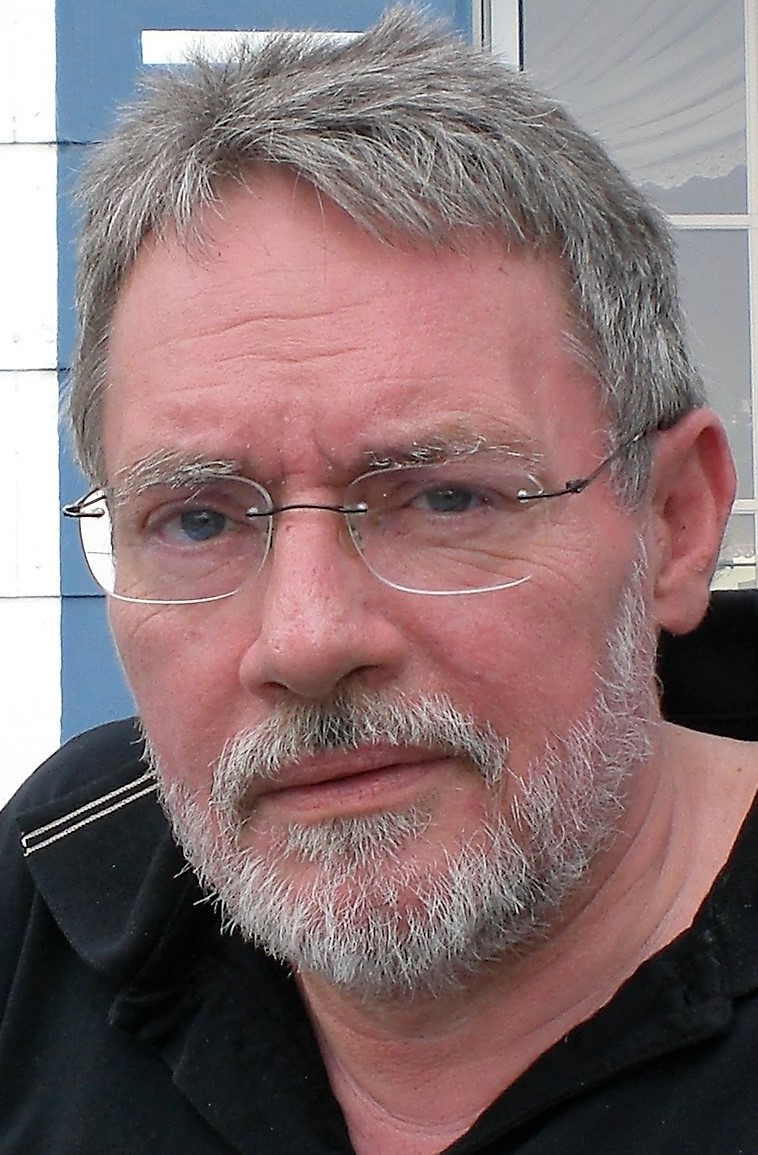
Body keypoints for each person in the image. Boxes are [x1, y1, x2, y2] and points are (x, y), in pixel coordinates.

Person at [2, 8, 756, 1152]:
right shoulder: (63, 883)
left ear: (672, 521)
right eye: (198, 519)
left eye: (443, 499)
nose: (305, 640)